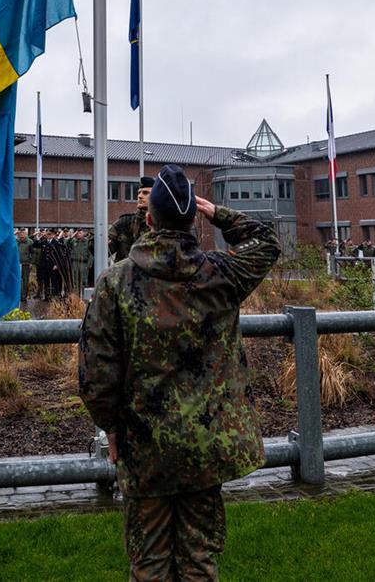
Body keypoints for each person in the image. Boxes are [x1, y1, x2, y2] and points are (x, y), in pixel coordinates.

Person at [79, 164, 281, 579]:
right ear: (193, 219)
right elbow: (267, 241)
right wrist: (218, 213)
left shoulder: (115, 282)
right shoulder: (221, 274)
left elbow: (96, 371)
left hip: (143, 442)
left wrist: (110, 427)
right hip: (207, 444)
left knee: (149, 563)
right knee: (198, 563)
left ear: (148, 219)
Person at [108, 176, 154, 262]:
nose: (140, 196)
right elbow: (103, 249)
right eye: (139, 193)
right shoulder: (125, 223)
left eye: (145, 193)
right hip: (126, 274)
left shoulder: (162, 223)